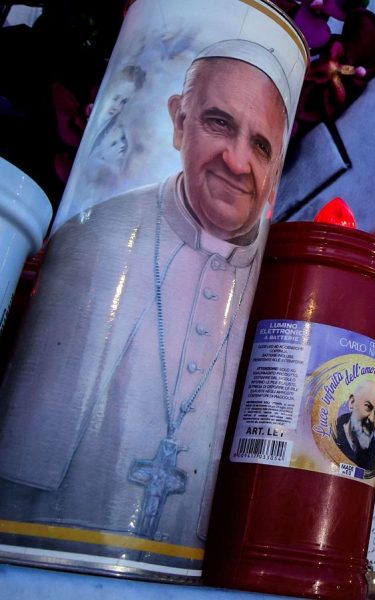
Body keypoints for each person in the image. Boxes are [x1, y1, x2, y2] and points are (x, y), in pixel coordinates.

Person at [0, 39, 293, 557]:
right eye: (219, 123)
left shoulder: (280, 293)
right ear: (180, 121)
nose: (237, 160)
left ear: (276, 173)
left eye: (261, 146)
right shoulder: (95, 233)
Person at [334, 378, 375, 477]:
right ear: (352, 402)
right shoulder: (332, 432)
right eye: (368, 406)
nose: (372, 419)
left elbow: (368, 476)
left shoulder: (371, 443)